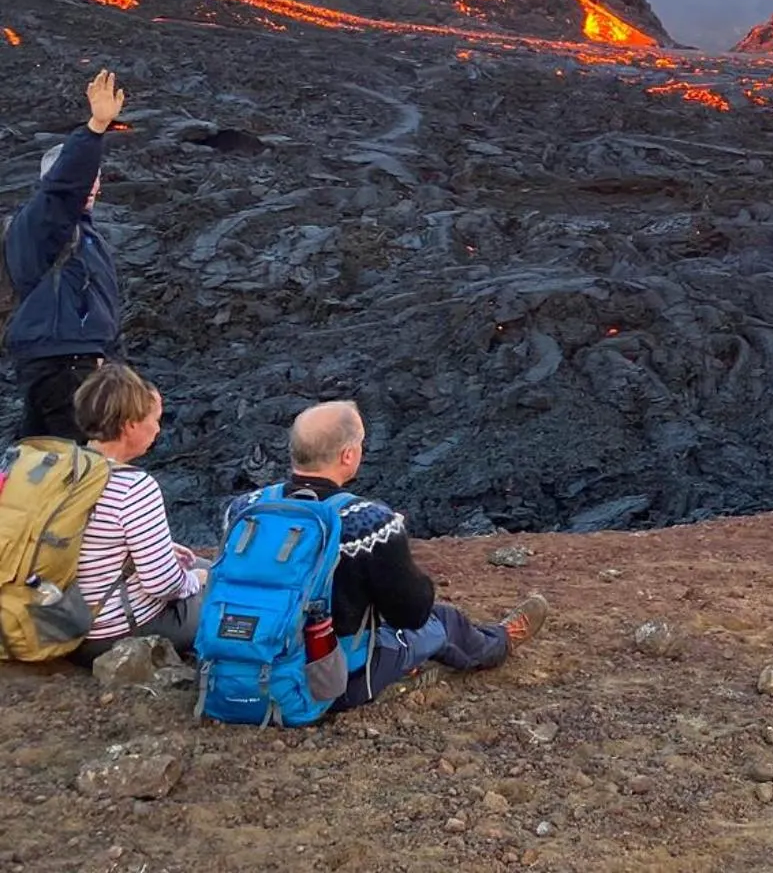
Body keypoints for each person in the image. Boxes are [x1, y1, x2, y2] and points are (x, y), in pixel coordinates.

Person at [223, 400, 547, 709]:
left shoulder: (242, 510)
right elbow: (412, 614)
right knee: (443, 622)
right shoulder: (367, 522)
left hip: (239, 668)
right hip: (330, 683)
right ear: (348, 455)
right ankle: (499, 643)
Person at [5, 70, 125, 443]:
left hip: (70, 361)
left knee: (40, 460)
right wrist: (95, 128)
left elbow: (102, 303)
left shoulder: (86, 237)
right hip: (65, 365)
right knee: (78, 467)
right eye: (82, 179)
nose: (88, 187)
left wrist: (115, 365)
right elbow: (64, 186)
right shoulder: (44, 221)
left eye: (95, 179)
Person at [70, 364, 209, 664]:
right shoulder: (133, 486)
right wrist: (194, 580)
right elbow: (162, 584)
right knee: (222, 587)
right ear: (131, 425)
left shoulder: (60, 467)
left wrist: (159, 549)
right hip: (108, 634)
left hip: (56, 618)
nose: (158, 429)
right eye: (154, 420)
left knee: (203, 564)